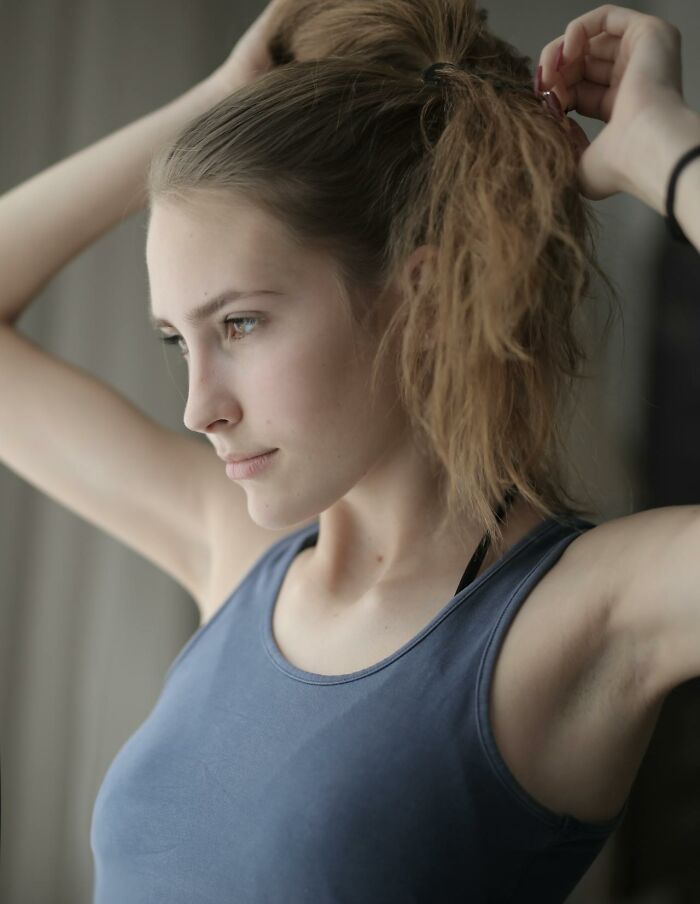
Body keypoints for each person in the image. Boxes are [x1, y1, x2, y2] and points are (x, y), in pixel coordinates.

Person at [0, 1, 699, 901]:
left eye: (240, 323)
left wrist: (660, 147)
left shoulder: (590, 613)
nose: (197, 407)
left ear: (425, 297)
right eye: (179, 340)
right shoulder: (240, 554)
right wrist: (217, 102)